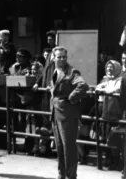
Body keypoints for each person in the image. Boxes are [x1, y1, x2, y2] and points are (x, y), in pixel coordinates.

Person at [35, 46, 88, 179]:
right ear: (53, 58)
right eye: (59, 57)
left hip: (68, 114)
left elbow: (83, 86)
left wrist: (71, 97)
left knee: (68, 148)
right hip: (55, 113)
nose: (62, 59)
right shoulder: (53, 70)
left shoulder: (72, 72)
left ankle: (71, 175)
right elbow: (56, 87)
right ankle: (61, 173)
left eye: (64, 57)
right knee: (59, 147)